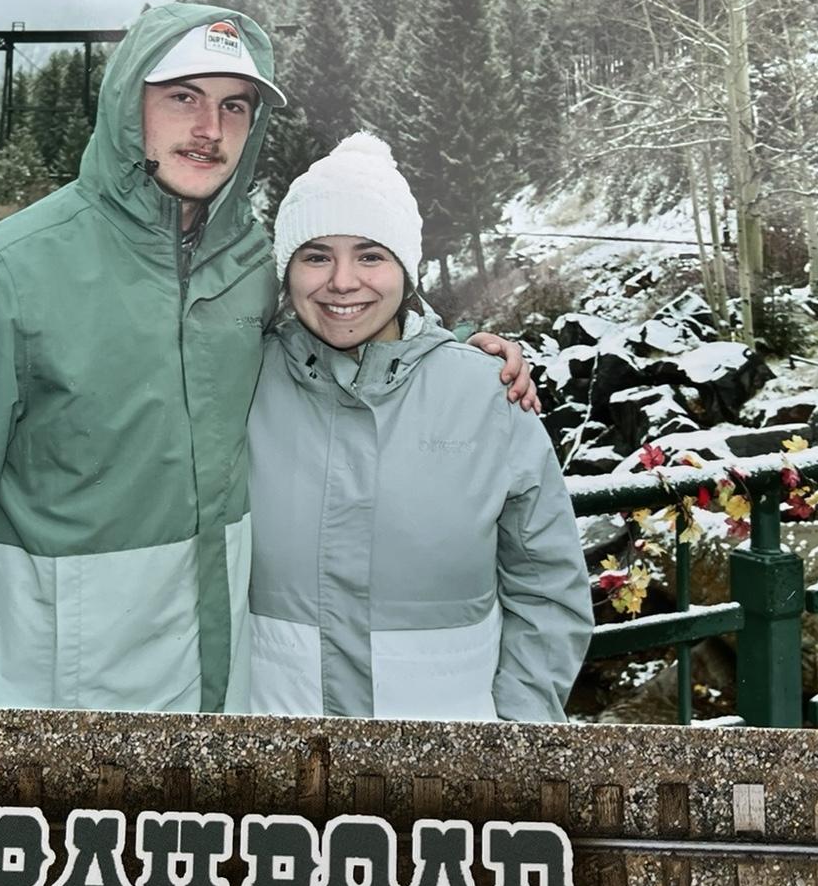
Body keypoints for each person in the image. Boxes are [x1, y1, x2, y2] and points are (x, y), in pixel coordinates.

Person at [0, 2, 536, 712]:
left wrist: (454, 356)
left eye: (234, 106)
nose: (210, 128)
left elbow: (346, 326)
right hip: (45, 710)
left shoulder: (252, 266)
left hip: (219, 702)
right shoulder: (5, 271)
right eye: (183, 97)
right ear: (129, 104)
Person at [247, 133, 594, 721]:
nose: (342, 281)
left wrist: (515, 734)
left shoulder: (488, 395)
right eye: (316, 256)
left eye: (370, 256)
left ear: (406, 271)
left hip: (453, 763)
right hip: (278, 758)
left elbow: (547, 587)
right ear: (287, 271)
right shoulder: (243, 382)